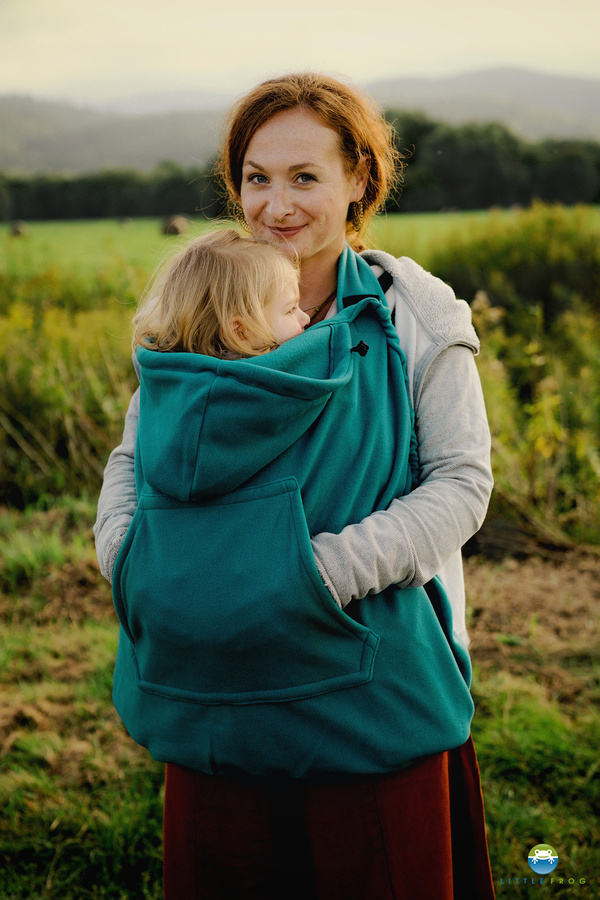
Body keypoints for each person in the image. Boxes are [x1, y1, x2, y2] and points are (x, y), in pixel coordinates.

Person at [95, 72, 495, 899]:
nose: (276, 205)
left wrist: (313, 577)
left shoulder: (413, 311)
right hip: (217, 691)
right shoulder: (204, 301)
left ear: (359, 183)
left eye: (305, 178)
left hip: (370, 686)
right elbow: (134, 455)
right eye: (256, 177)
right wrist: (128, 556)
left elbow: (460, 484)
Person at [131, 228, 309, 358]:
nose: (306, 318)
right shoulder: (246, 389)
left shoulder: (161, 366)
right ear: (239, 332)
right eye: (290, 310)